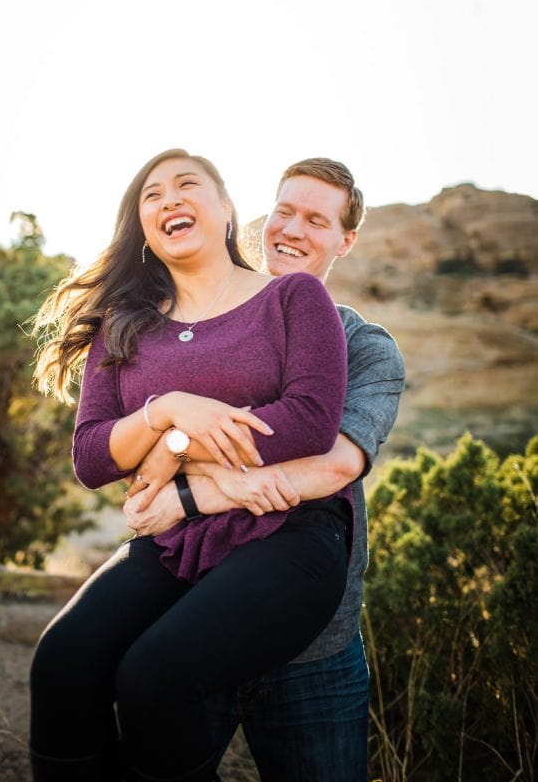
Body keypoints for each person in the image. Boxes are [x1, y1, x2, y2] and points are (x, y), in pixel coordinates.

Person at [29, 149, 354, 782]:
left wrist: (172, 446)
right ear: (143, 224)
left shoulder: (293, 297)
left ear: (229, 210)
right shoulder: (122, 326)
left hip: (289, 532)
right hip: (174, 537)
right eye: (152, 195)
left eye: (188, 185)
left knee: (155, 675)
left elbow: (311, 421)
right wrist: (169, 410)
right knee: (62, 662)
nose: (169, 199)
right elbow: (92, 456)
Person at [124, 157, 406, 782]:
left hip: (316, 650)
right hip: (194, 614)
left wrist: (197, 493)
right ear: (260, 217)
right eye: (285, 210)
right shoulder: (205, 321)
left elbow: (331, 465)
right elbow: (145, 453)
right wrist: (175, 438)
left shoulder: (368, 347)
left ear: (345, 241)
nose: (294, 229)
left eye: (317, 220)